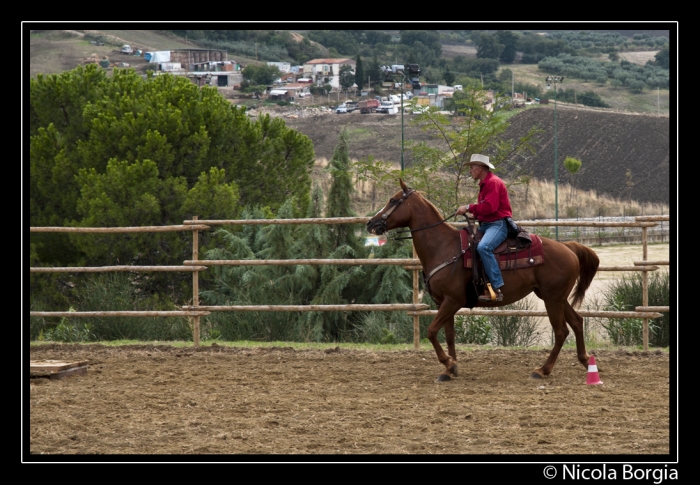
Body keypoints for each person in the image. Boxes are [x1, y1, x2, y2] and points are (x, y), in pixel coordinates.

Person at [455, 154, 513, 302]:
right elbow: (486, 209)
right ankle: (478, 282)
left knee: (484, 247)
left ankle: (496, 286)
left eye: (472, 168)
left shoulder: (493, 183)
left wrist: (468, 208)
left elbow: (490, 208)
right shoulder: (485, 184)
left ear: (480, 168)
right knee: (469, 245)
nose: (470, 171)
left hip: (498, 224)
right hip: (488, 224)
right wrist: (477, 216)